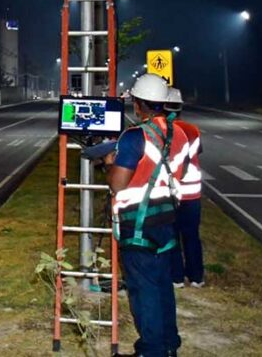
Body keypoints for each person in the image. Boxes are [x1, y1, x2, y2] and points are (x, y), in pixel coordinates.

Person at [83, 74, 185, 357]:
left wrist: (107, 164)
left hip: (139, 226)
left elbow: (117, 184)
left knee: (144, 292)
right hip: (166, 220)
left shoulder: (134, 137)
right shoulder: (179, 134)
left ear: (139, 105)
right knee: (163, 285)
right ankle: (168, 346)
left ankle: (151, 351)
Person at [165, 88, 205, 289]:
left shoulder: (162, 130)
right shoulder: (193, 130)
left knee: (171, 235)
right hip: (192, 193)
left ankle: (176, 277)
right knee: (191, 235)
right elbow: (197, 152)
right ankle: (196, 277)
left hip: (171, 192)